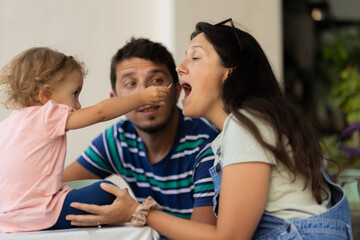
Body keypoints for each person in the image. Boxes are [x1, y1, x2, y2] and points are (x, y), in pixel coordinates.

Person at [65, 19, 353, 240]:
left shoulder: (246, 128)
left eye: (195, 57)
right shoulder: (239, 130)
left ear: (229, 71)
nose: (180, 68)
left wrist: (135, 212)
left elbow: (228, 238)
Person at [0, 47, 169, 233]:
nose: (78, 105)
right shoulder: (48, 113)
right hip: (41, 213)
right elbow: (101, 112)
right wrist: (143, 97)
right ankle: (138, 212)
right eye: (75, 94)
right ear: (46, 95)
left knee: (75, 188)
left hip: (8, 217)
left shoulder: (7, 125)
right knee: (109, 191)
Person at [62, 38, 219, 225]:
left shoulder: (206, 145)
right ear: (115, 101)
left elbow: (203, 234)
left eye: (156, 81)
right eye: (130, 84)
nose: (145, 94)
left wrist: (133, 212)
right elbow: (48, 188)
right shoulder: (118, 140)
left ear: (177, 91)